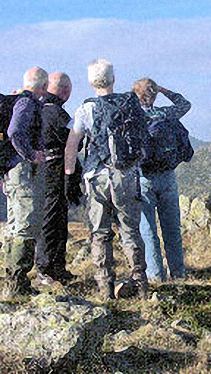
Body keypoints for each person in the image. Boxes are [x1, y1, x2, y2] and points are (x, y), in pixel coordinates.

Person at [64, 59, 148, 300]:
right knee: (130, 230)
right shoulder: (129, 105)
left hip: (96, 177)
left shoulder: (85, 109)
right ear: (113, 79)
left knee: (100, 233)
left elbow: (72, 147)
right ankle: (140, 284)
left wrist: (70, 178)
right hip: (126, 174)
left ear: (91, 82)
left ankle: (105, 289)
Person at [132, 78, 191, 281]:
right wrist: (164, 90)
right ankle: (178, 273)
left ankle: (156, 275)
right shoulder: (166, 114)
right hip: (167, 176)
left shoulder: (132, 116)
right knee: (172, 228)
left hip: (143, 176)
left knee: (148, 230)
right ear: (154, 94)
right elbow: (185, 104)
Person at [1, 67, 47, 298]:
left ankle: (12, 281)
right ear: (44, 87)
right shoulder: (27, 104)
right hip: (22, 172)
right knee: (26, 225)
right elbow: (15, 131)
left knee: (15, 224)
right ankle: (17, 285)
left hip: (11, 171)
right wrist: (31, 155)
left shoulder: (19, 101)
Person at [36, 72, 82, 285]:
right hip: (55, 169)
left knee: (50, 216)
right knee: (54, 217)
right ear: (65, 90)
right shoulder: (56, 113)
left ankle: (52, 267)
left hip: (40, 169)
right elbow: (75, 141)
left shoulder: (38, 109)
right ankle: (48, 267)